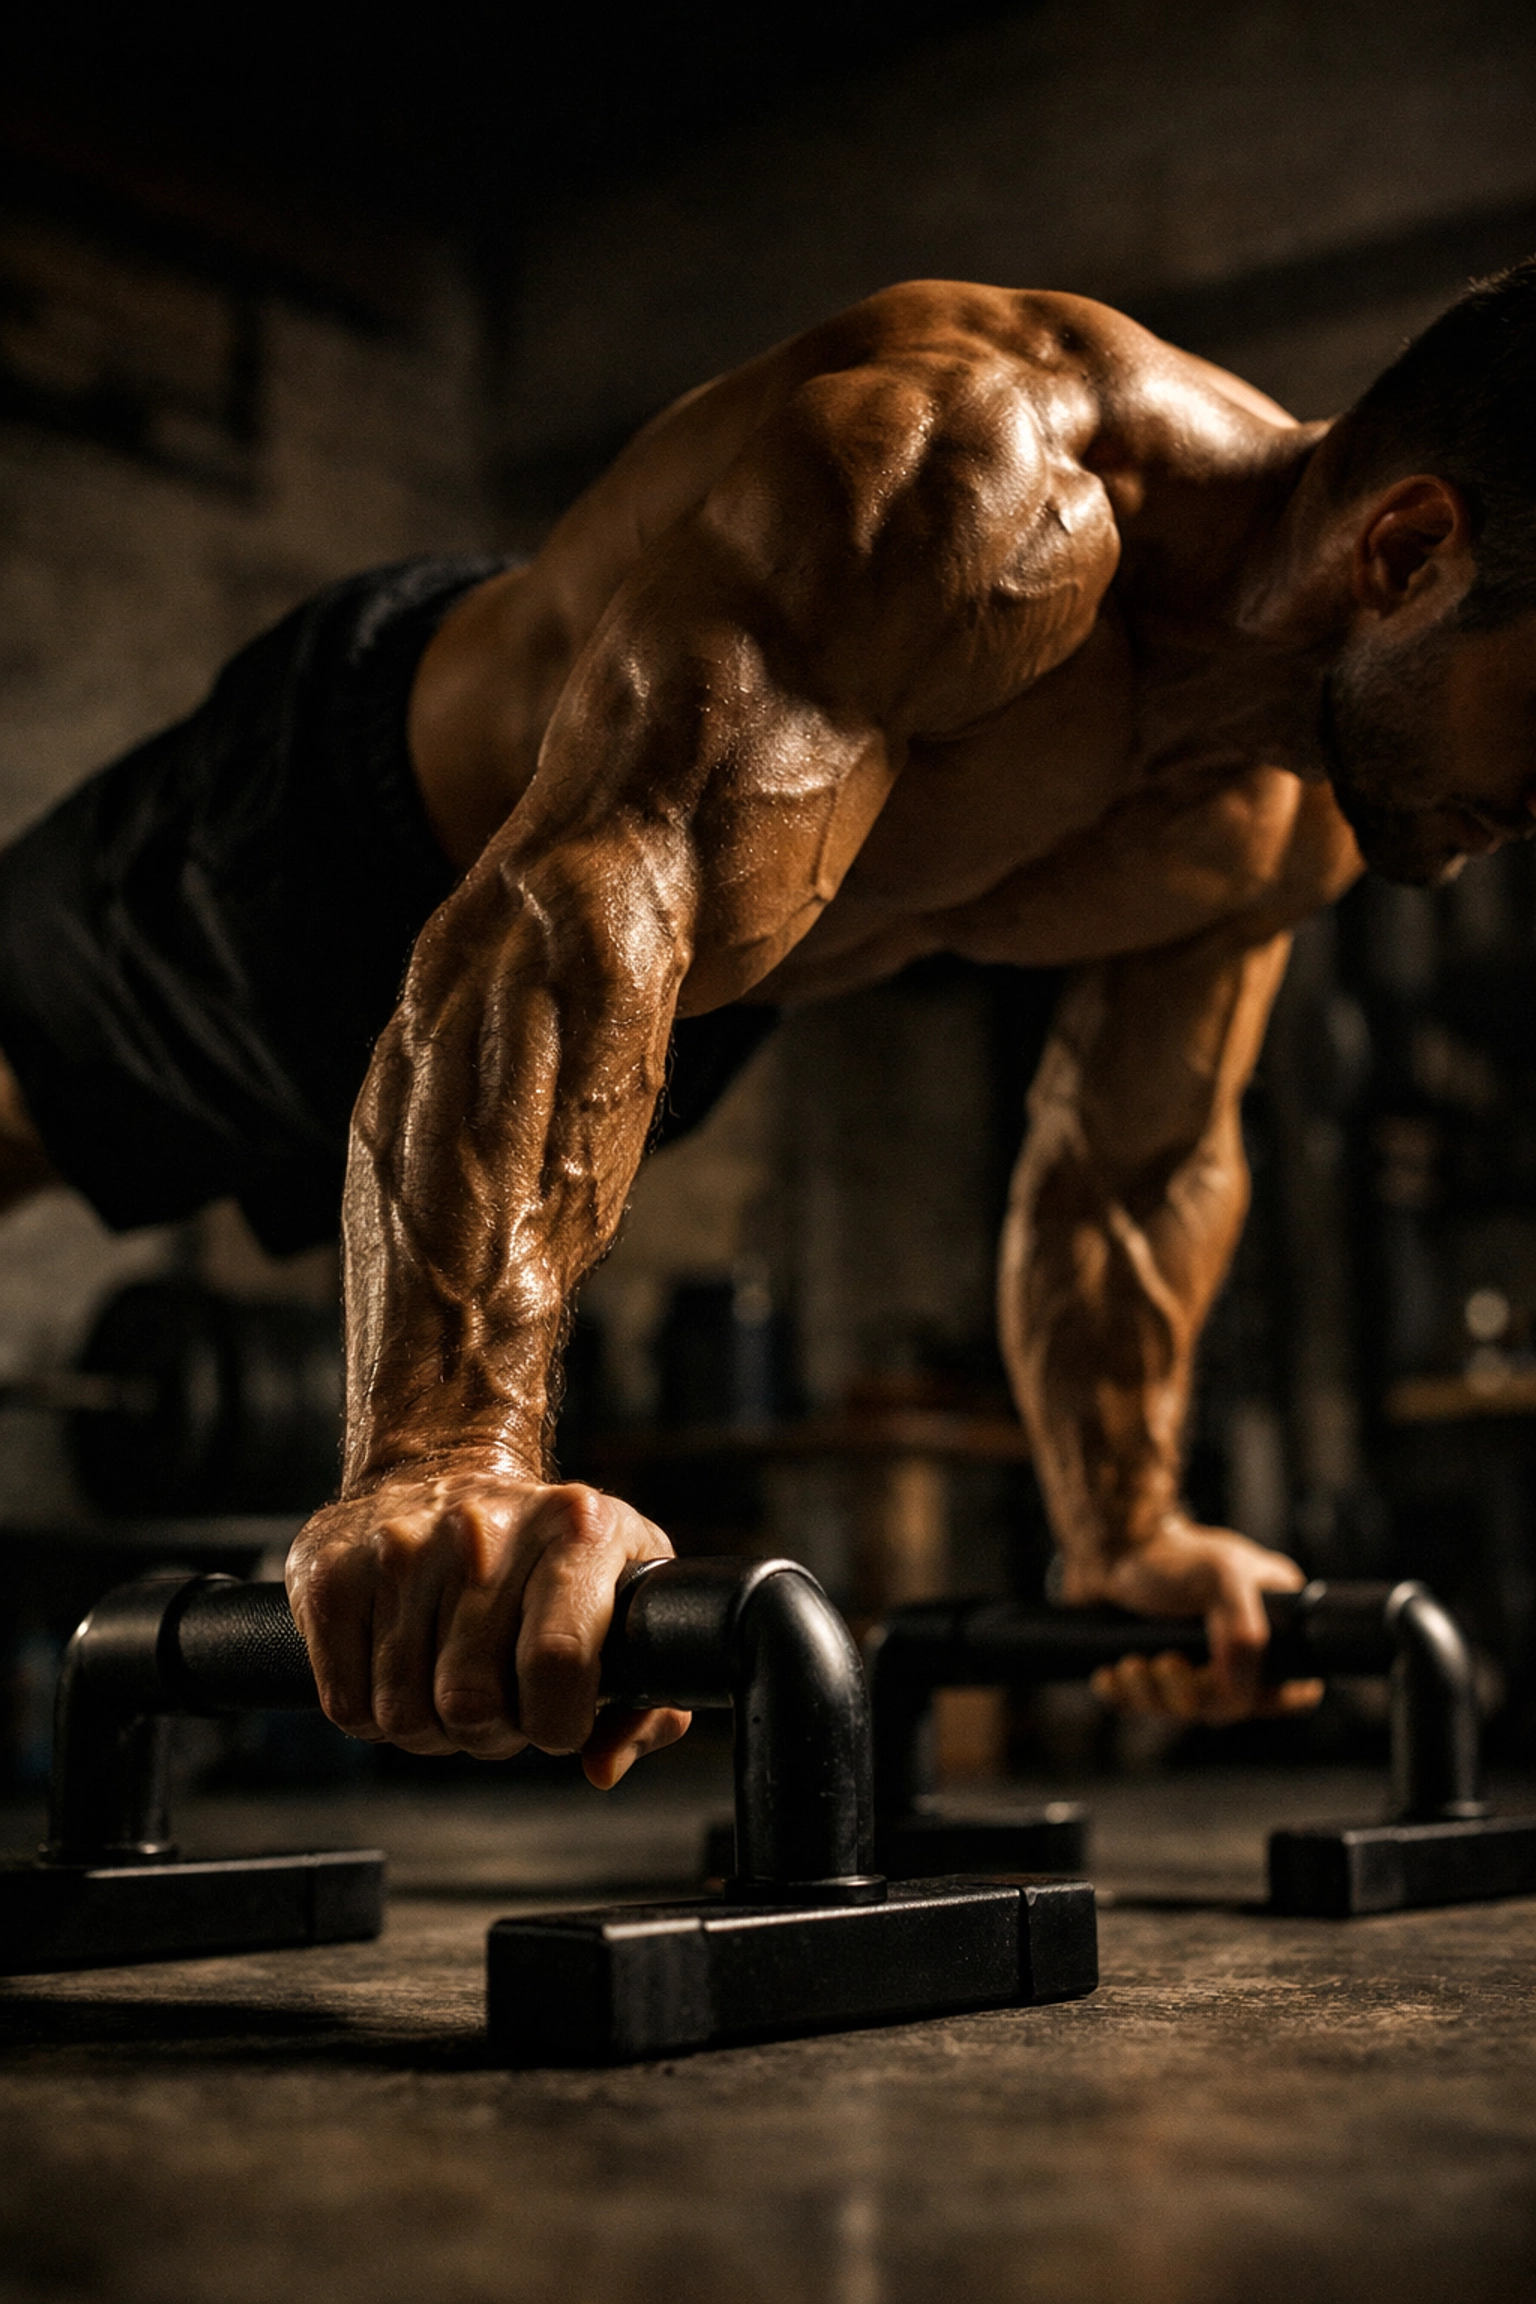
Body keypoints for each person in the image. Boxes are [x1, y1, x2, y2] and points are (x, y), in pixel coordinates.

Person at [1, 262, 1532, 1786]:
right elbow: (587, 901)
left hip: (669, 1014)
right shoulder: (984, 465)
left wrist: (1125, 1534)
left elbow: (1134, 1167)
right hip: (342, 842)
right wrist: (445, 1457)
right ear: (1410, 548)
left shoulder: (1290, 827)